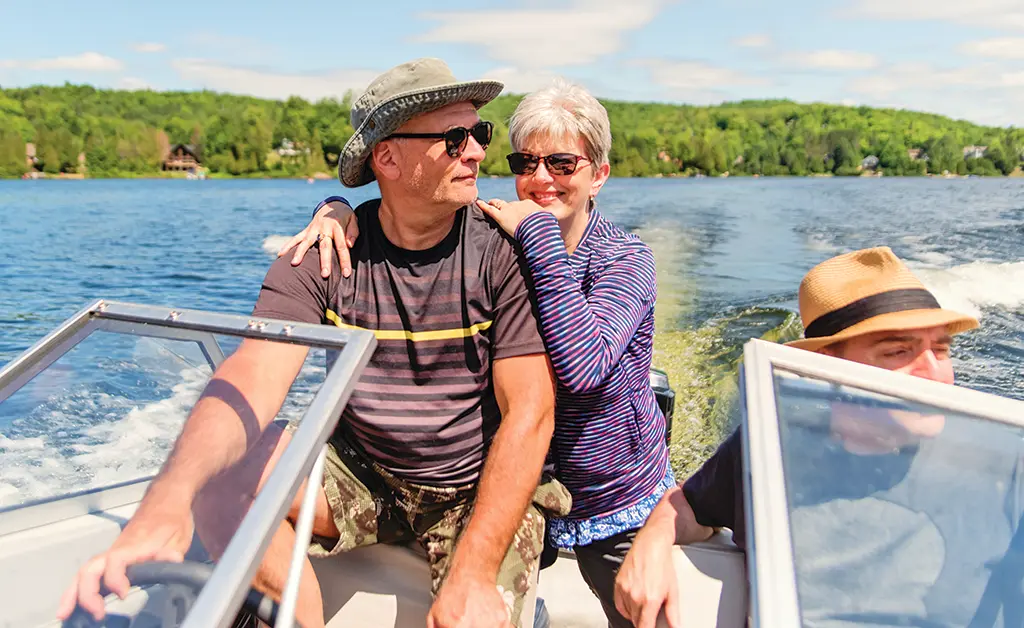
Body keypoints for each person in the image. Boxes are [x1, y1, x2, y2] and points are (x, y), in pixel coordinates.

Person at [56, 57, 572, 628]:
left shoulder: (505, 253)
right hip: (365, 475)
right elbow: (254, 375)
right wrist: (164, 506)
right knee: (221, 476)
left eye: (480, 133)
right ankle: (297, 618)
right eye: (454, 138)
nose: (476, 152)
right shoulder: (325, 254)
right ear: (388, 158)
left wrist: (473, 574)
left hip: (472, 486)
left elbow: (531, 412)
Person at [280, 79, 674, 627]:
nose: (540, 180)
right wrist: (335, 209)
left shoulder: (622, 259)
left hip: (605, 495)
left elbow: (584, 370)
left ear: (598, 175)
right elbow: (405, 210)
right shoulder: (500, 234)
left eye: (562, 164)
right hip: (511, 482)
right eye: (525, 160)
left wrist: (534, 237)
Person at [613, 246, 1024, 627]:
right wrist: (652, 541)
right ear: (829, 368)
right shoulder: (771, 449)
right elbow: (688, 503)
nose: (935, 375)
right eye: (898, 352)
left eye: (941, 350)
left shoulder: (1000, 465)